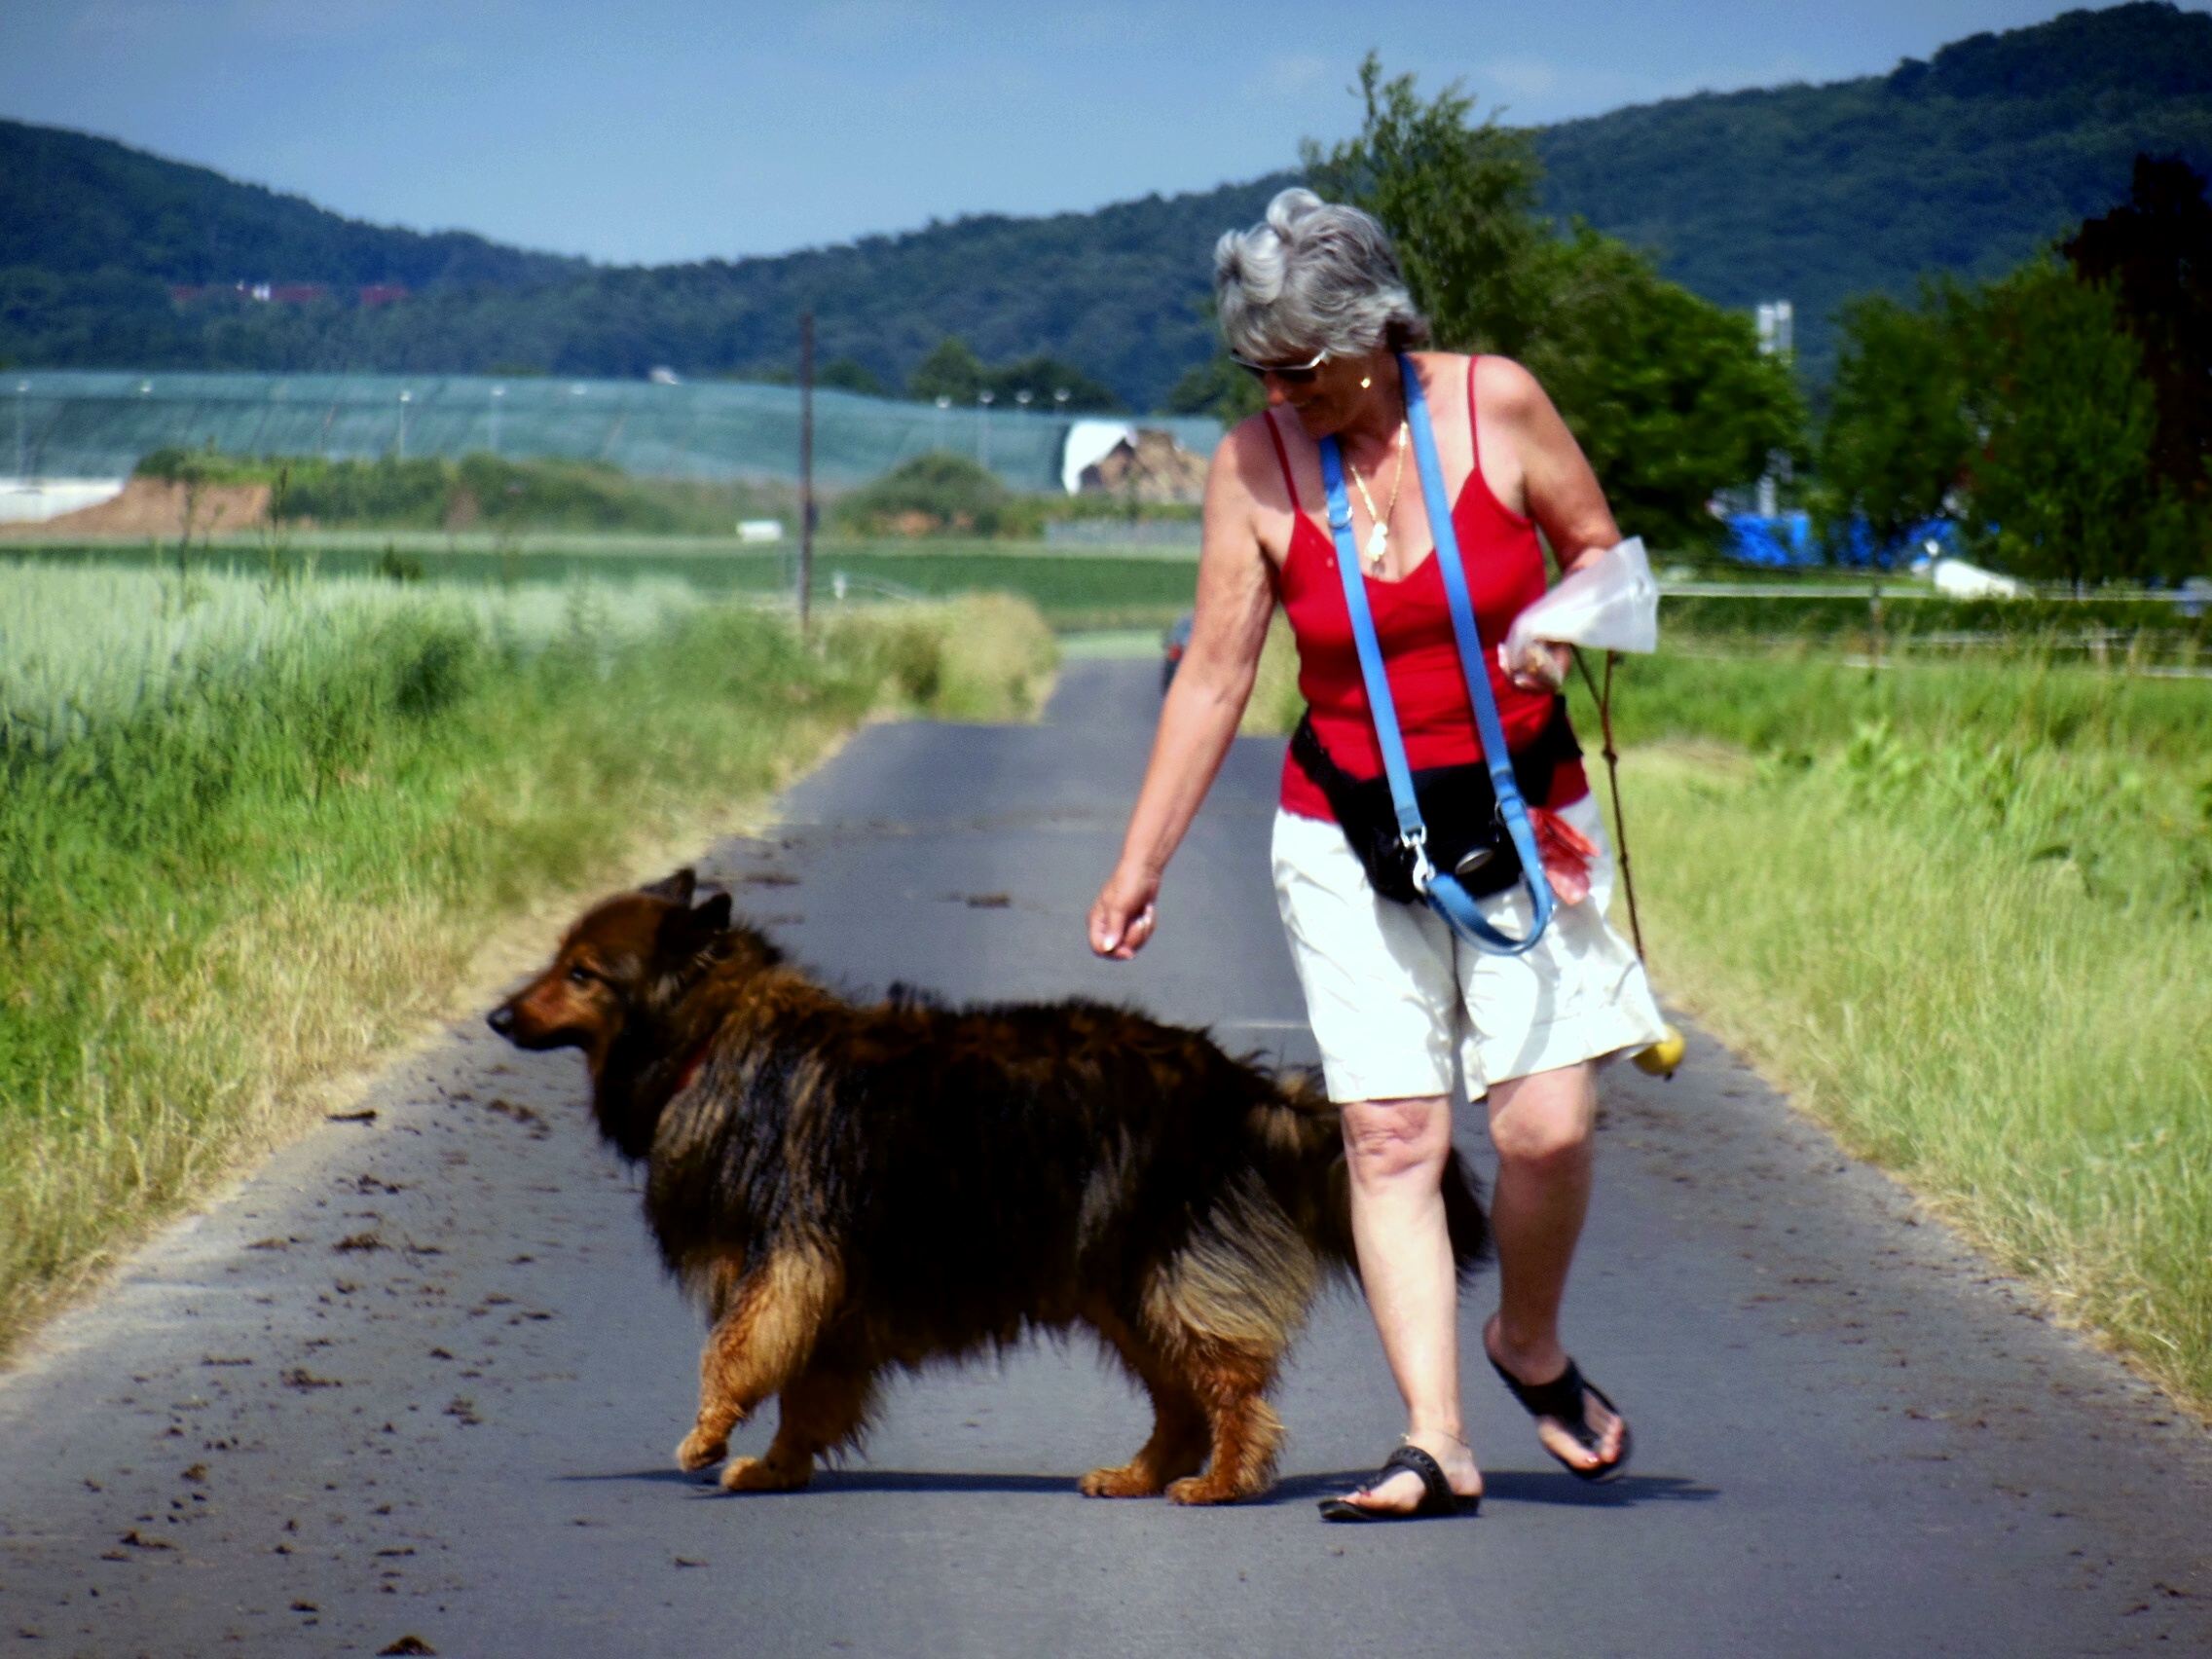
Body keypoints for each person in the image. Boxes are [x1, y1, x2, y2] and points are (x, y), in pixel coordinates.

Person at [1087, 189, 1667, 1520]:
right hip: (1344, 827)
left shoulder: (1495, 405)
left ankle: (1526, 1340)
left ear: (1373, 330)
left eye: (1300, 368)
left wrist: (1564, 625)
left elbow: (1606, 558)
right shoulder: (1254, 466)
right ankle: (1435, 1443)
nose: (1280, 394)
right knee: (1392, 1135)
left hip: (1520, 816)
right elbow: (1217, 677)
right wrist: (1143, 861)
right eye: (1259, 371)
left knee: (1545, 1126)